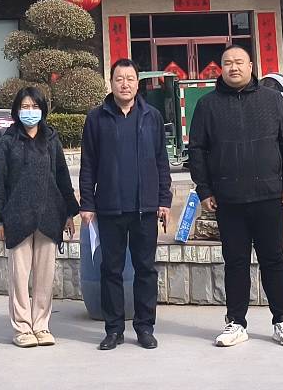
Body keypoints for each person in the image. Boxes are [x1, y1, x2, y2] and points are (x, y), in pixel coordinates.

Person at [187, 44, 283, 348]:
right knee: (235, 262)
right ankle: (236, 322)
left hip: (269, 196)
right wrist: (204, 190)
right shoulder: (208, 105)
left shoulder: (272, 100)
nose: (233, 67)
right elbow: (196, 150)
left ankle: (282, 320)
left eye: (239, 62)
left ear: (251, 66)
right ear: (220, 68)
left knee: (273, 260)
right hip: (229, 199)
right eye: (227, 63)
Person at [79, 57, 172, 351]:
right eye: (119, 79)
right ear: (111, 82)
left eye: (130, 79)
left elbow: (161, 161)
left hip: (145, 208)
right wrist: (87, 203)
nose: (125, 84)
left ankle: (144, 327)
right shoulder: (97, 118)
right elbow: (88, 164)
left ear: (138, 83)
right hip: (110, 208)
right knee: (111, 270)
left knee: (145, 269)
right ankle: (114, 329)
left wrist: (164, 200)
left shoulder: (151, 116)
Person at [0, 86, 80, 348]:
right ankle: (22, 327)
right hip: (18, 218)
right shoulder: (8, 142)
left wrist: (69, 212)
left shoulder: (51, 139)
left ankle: (41, 325)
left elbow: (62, 177)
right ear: (17, 111)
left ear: (43, 110)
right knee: (19, 276)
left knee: (44, 277)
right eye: (25, 107)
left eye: (35, 107)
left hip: (49, 216)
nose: (30, 112)